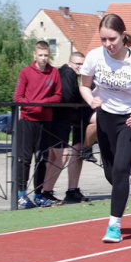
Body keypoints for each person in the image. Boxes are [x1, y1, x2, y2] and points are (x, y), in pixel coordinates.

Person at [80, 13, 131, 243]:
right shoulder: (94, 56)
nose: (108, 44)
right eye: (103, 39)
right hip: (105, 119)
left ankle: (114, 225)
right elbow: (84, 85)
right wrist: (91, 100)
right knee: (111, 175)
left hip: (130, 120)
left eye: (112, 39)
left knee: (119, 173)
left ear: (123, 36)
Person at [41, 52, 97, 205]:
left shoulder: (69, 73)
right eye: (77, 64)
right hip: (59, 120)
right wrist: (77, 105)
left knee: (63, 156)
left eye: (82, 64)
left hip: (63, 119)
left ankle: (66, 191)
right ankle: (46, 192)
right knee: (60, 157)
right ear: (70, 62)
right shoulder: (67, 73)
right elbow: (65, 97)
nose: (80, 67)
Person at [14, 41, 62, 209]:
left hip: (46, 120)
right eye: (40, 55)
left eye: (46, 55)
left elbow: (58, 96)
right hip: (27, 120)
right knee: (25, 158)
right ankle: (21, 194)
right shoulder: (25, 72)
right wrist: (34, 106)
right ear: (34, 55)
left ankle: (39, 194)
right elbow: (18, 97)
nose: (43, 58)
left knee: (42, 158)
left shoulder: (54, 72)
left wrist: (44, 103)